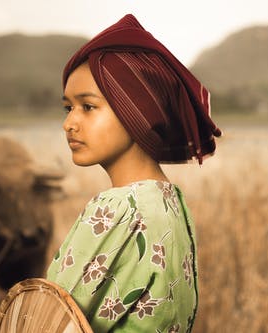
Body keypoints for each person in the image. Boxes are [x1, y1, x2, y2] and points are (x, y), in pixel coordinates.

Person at [46, 14, 221, 332]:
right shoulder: (173, 203)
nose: (69, 123)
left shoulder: (116, 208)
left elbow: (48, 319)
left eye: (88, 106)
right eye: (67, 108)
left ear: (138, 111)